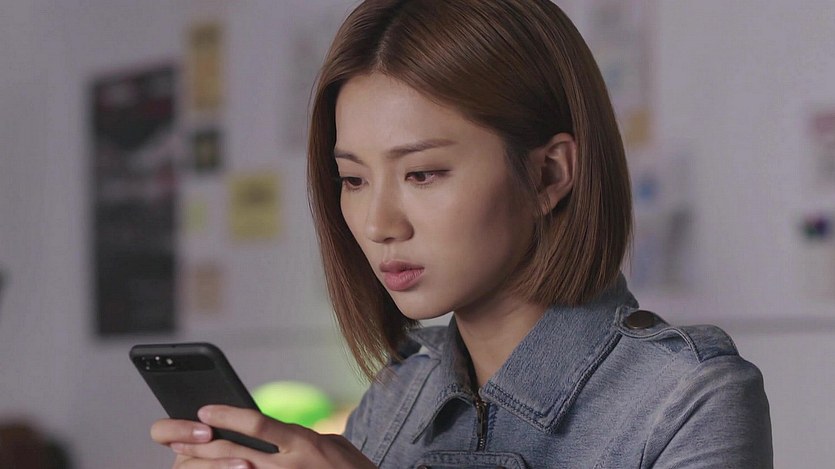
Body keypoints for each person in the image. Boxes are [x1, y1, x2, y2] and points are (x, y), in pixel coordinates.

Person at [151, 0, 773, 467]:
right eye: (354, 180)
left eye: (422, 174)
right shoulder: (398, 396)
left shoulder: (688, 397)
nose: (379, 225)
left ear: (550, 173)